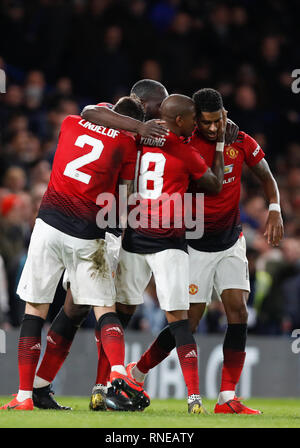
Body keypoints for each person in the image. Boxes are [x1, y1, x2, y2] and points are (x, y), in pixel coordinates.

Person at [125, 88, 284, 415]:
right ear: (196, 120)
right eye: (206, 122)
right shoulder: (185, 143)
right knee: (190, 323)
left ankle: (227, 397)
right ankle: (137, 371)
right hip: (195, 243)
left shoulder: (240, 139)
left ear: (224, 113)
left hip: (230, 239)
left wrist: (275, 208)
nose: (213, 128)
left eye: (217, 120)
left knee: (238, 311)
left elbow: (266, 176)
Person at [0, 95, 159, 411]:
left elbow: (90, 111)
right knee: (103, 308)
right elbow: (125, 196)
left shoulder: (71, 123)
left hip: (48, 224)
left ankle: (25, 396)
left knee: (35, 309)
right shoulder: (128, 145)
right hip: (90, 233)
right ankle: (117, 376)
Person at [114, 93, 225, 414]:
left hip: (134, 236)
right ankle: (194, 399)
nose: (195, 123)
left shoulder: (139, 139)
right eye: (192, 118)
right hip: (168, 240)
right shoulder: (184, 150)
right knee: (180, 320)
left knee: (118, 316)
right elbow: (215, 185)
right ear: (179, 121)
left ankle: (107, 383)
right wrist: (217, 147)